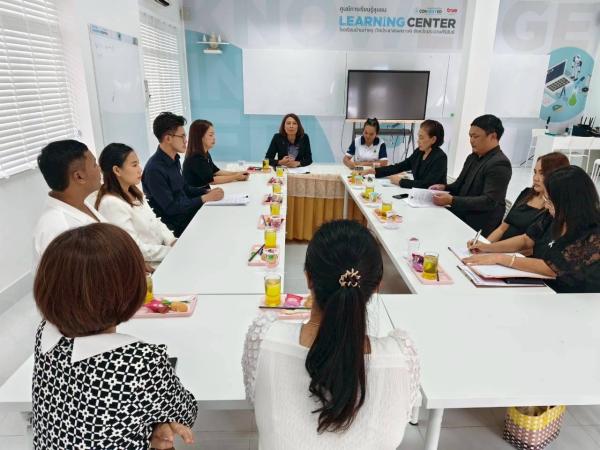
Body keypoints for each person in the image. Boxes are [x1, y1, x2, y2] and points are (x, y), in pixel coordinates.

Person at [242, 220, 419, 449]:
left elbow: (256, 402)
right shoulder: (403, 358)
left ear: (308, 278)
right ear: (377, 287)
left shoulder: (264, 340)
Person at [32, 223, 198, 449]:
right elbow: (186, 412)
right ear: (130, 289)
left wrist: (154, 421)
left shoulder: (45, 334)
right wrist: (160, 422)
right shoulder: (139, 362)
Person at [464, 166, 600, 293]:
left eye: (550, 201)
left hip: (571, 297)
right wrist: (488, 247)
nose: (546, 206)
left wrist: (500, 258)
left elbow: (552, 268)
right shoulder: (554, 215)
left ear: (568, 203)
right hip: (539, 286)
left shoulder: (593, 232)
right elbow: (526, 240)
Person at [142, 112, 224, 237]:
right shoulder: (154, 170)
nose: (186, 141)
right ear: (168, 139)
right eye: (182, 136)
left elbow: (185, 189)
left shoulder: (174, 159)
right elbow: (171, 208)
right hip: (178, 227)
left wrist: (206, 191)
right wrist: (204, 198)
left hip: (188, 214)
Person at [430, 114, 512, 236]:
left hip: (478, 225)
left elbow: (488, 201)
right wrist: (444, 187)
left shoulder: (500, 163)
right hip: (460, 213)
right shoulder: (472, 157)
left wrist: (452, 200)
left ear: (493, 136)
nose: (471, 140)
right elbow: (459, 185)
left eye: (476, 136)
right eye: (470, 136)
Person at [95, 143, 176, 265]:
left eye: (138, 163)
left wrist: (172, 241)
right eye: (134, 165)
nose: (140, 169)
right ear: (117, 170)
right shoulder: (111, 203)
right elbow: (133, 247)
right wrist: (170, 251)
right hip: (148, 264)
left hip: (161, 253)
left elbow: (155, 221)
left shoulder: (133, 191)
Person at [33, 139, 104, 264]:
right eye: (94, 164)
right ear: (79, 176)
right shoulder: (59, 229)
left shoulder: (78, 203)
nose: (99, 169)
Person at [487, 152, 569, 243]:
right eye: (535, 172)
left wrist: (491, 248)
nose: (535, 178)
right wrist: (485, 244)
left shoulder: (553, 209)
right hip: (497, 246)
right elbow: (502, 228)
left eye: (542, 173)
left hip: (514, 251)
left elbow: (529, 244)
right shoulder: (526, 193)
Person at [361, 119, 447, 188]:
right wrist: (374, 171)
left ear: (433, 139)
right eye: (418, 137)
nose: (418, 141)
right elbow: (400, 166)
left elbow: (427, 185)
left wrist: (400, 181)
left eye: (421, 138)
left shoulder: (440, 158)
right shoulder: (419, 152)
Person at [183, 119, 249, 188]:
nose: (214, 138)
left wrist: (237, 173)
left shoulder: (205, 153)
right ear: (200, 137)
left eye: (213, 134)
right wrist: (236, 177)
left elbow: (216, 171)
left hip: (204, 191)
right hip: (196, 193)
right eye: (210, 135)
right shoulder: (195, 158)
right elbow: (212, 180)